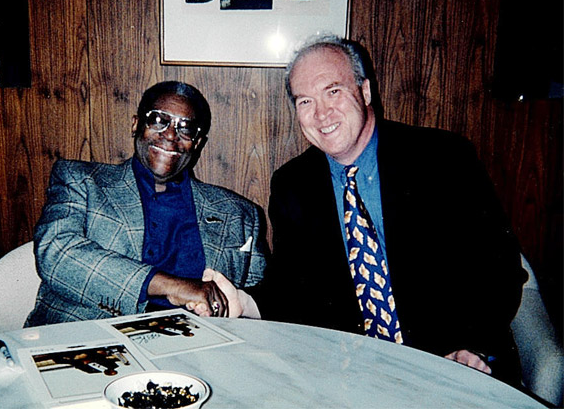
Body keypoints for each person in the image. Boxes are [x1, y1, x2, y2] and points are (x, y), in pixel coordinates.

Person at [226, 35, 527, 386]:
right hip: (351, 377)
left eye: (333, 91)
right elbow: (293, 288)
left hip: (452, 366)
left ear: (365, 92)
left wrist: (470, 345)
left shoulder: (442, 159)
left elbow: (499, 269)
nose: (322, 113)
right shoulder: (294, 184)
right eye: (305, 100)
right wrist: (242, 300)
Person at [25, 81, 267, 327]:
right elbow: (57, 253)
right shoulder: (81, 180)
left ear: (197, 142)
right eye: (158, 120)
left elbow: (259, 297)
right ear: (136, 124)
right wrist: (172, 287)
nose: (171, 135)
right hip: (87, 340)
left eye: (186, 128)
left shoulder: (239, 213)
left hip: (198, 349)